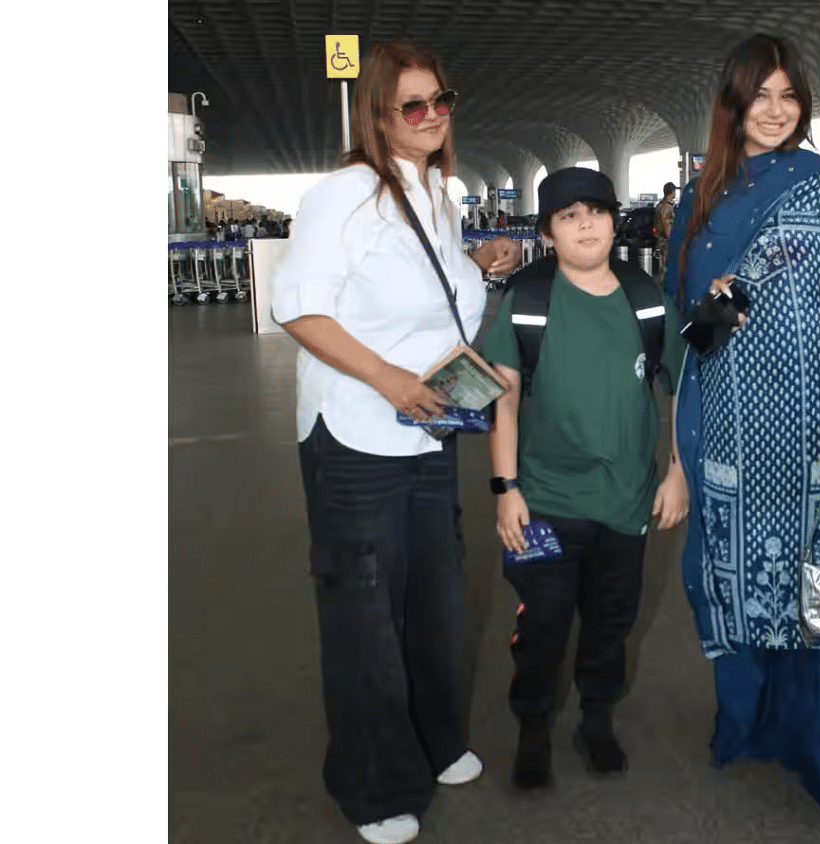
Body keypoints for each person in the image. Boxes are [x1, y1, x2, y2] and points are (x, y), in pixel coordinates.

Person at [270, 39, 519, 844]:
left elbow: (434, 297)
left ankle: (435, 739)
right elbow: (299, 309)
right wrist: (385, 378)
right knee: (365, 612)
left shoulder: (438, 195)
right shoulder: (343, 193)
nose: (431, 116)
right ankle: (373, 784)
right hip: (358, 432)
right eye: (412, 105)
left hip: (426, 429)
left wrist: (482, 260)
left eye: (441, 100)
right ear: (376, 115)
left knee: (437, 601)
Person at [663, 33, 820, 821]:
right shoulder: (703, 196)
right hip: (725, 429)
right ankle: (754, 728)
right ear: (733, 103)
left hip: (813, 432)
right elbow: (684, 330)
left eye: (789, 96)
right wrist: (714, 298)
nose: (775, 111)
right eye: (759, 96)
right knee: (735, 585)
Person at [479, 167, 688, 791]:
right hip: (543, 501)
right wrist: (505, 489)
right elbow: (505, 401)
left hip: (625, 502)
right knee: (542, 622)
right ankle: (534, 726)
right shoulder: (529, 300)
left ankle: (596, 717)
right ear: (548, 231)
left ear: (612, 220)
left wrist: (677, 472)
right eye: (568, 216)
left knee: (611, 621)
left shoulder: (645, 298)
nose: (585, 224)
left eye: (594, 211)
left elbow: (682, 389)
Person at [653, 182, 677, 279]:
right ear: (672, 192)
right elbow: (667, 228)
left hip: (660, 241)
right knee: (666, 270)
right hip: (666, 243)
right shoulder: (666, 208)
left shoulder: (660, 205)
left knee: (663, 268)